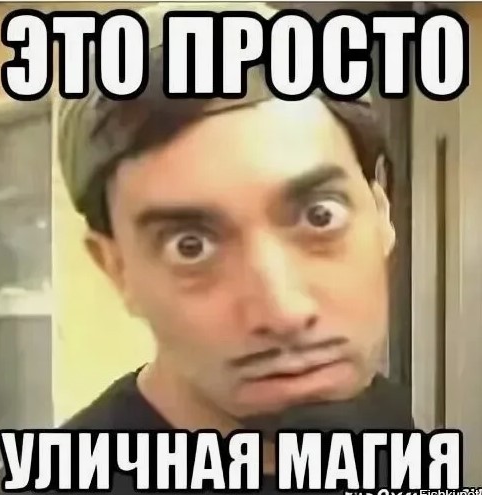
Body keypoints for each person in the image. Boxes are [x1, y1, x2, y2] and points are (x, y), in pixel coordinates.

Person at [55, 2, 413, 493]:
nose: (284, 313)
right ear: (117, 269)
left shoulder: (379, 418)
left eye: (320, 216)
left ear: (380, 211)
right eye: (191, 246)